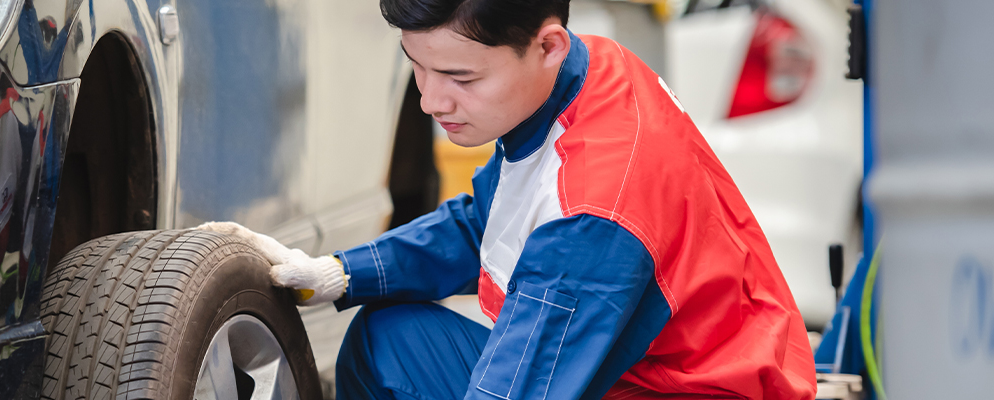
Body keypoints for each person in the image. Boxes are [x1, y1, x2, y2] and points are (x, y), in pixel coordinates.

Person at [199, 0, 817, 398]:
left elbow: (518, 387)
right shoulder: (584, 72)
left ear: (546, 46)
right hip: (657, 360)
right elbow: (487, 222)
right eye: (418, 66)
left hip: (692, 389)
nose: (430, 101)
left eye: (460, 79)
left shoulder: (593, 216)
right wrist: (341, 273)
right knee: (390, 339)